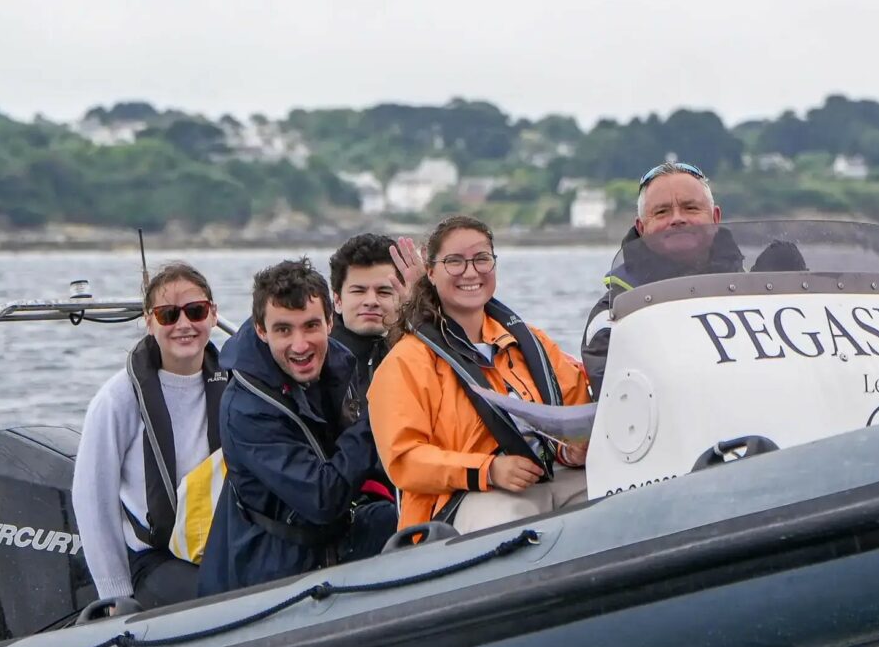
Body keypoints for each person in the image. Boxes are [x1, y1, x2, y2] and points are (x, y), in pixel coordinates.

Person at [369, 214, 593, 533]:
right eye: (454, 261)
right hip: (460, 497)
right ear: (430, 272)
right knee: (510, 523)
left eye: (482, 259)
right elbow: (404, 459)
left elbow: (575, 408)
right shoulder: (406, 362)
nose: (471, 272)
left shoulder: (533, 343)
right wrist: (488, 470)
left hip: (549, 475)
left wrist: (572, 449)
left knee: (613, 495)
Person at [197, 261, 398, 595]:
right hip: (271, 568)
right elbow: (322, 498)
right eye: (283, 330)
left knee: (407, 519)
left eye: (311, 326)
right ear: (261, 331)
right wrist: (379, 413)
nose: (301, 345)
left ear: (330, 321)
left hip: (334, 532)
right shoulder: (246, 410)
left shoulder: (338, 362)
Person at [70, 261, 226, 610]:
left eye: (196, 311)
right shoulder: (118, 399)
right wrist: (115, 595)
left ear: (213, 315)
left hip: (221, 546)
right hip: (154, 558)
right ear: (149, 321)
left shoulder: (234, 384)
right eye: (168, 315)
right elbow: (92, 498)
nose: (184, 324)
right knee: (221, 598)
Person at [578, 161, 802, 393]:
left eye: (690, 208)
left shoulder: (754, 292)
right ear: (641, 228)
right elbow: (615, 390)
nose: (677, 219)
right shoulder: (612, 313)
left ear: (715, 218)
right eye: (662, 212)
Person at [327, 232, 404, 415]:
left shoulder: (418, 356)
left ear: (402, 299)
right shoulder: (315, 360)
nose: (371, 301)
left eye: (384, 292)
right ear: (337, 300)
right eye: (358, 291)